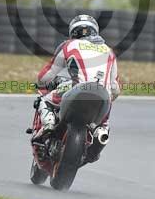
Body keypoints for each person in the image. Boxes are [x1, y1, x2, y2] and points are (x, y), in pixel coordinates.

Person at [34, 14, 120, 162]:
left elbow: (45, 76)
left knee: (44, 100)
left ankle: (48, 125)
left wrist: (42, 83)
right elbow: (116, 88)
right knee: (103, 120)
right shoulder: (109, 51)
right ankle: (101, 134)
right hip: (103, 95)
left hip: (77, 88)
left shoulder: (68, 45)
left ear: (73, 31)